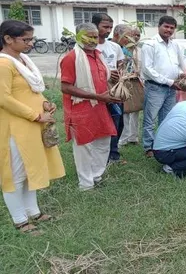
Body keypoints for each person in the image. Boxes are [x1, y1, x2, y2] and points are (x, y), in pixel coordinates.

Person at [0, 20, 65, 235]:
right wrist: (35, 115)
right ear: (8, 39)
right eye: (25, 39)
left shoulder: (24, 60)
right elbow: (4, 98)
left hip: (33, 124)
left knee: (31, 169)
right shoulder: (4, 64)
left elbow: (31, 90)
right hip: (16, 127)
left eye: (31, 39)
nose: (30, 43)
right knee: (16, 174)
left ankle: (33, 212)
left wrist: (45, 102)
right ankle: (20, 221)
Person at [60, 23, 121, 191]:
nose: (94, 40)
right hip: (81, 109)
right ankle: (86, 184)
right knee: (84, 147)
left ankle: (96, 176)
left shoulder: (99, 55)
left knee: (103, 141)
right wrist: (97, 96)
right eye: (90, 36)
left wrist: (112, 84)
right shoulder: (71, 58)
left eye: (95, 37)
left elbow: (102, 80)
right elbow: (65, 87)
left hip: (100, 107)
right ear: (78, 37)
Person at [141, 15, 186, 157]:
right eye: (166, 26)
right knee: (150, 118)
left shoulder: (175, 45)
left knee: (166, 117)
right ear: (159, 26)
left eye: (172, 28)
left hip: (172, 88)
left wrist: (181, 75)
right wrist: (170, 82)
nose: (169, 30)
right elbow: (147, 69)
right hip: (155, 87)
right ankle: (149, 147)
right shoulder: (150, 44)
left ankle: (161, 144)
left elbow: (178, 65)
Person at [93, 14, 125, 163]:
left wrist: (119, 72)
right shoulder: (88, 47)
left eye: (110, 27)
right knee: (101, 122)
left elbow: (120, 63)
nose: (108, 30)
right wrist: (106, 74)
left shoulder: (114, 46)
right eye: (105, 27)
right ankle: (100, 154)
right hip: (96, 90)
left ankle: (113, 153)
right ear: (95, 26)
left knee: (117, 121)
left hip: (115, 89)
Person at [114, 24, 141, 147]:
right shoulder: (121, 48)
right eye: (132, 35)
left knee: (135, 109)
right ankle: (123, 138)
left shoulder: (139, 49)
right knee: (124, 111)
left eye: (137, 35)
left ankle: (133, 136)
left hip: (135, 82)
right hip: (122, 82)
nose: (134, 37)